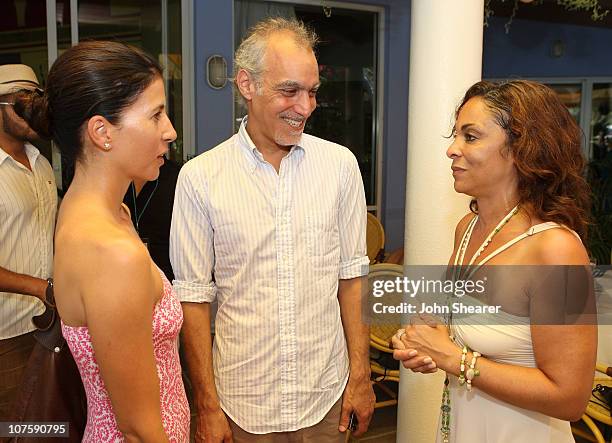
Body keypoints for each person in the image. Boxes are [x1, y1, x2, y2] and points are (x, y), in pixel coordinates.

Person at [171, 17, 375, 443]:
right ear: (247, 85)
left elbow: (352, 280)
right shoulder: (200, 178)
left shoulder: (340, 167)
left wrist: (361, 376)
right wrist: (207, 406)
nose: (305, 107)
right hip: (242, 406)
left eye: (313, 91)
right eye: (289, 91)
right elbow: (192, 301)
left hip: (327, 399)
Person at [392, 80, 597, 442]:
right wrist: (424, 343)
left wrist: (454, 360)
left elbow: (570, 398)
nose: (452, 150)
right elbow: (458, 334)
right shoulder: (468, 229)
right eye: (455, 135)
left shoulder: (554, 249)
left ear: (521, 149)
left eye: (470, 137)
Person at [15, 41, 189, 442]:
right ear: (102, 132)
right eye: (156, 115)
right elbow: (139, 428)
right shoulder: (110, 251)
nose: (170, 131)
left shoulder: (95, 212)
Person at [0, 64, 57, 419]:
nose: (30, 110)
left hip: (49, 326)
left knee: (48, 426)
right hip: (6, 335)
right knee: (12, 428)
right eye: (20, 102)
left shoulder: (43, 165)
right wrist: (40, 287)